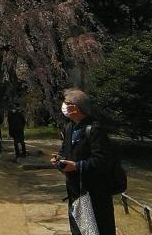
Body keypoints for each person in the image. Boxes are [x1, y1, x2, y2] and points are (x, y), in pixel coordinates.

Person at [52, 89, 116, 235]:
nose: (64, 106)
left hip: (93, 193)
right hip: (75, 192)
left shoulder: (94, 129)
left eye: (67, 103)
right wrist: (59, 160)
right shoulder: (70, 127)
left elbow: (102, 160)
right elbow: (65, 151)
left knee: (96, 230)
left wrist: (77, 166)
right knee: (80, 230)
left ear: (76, 107)